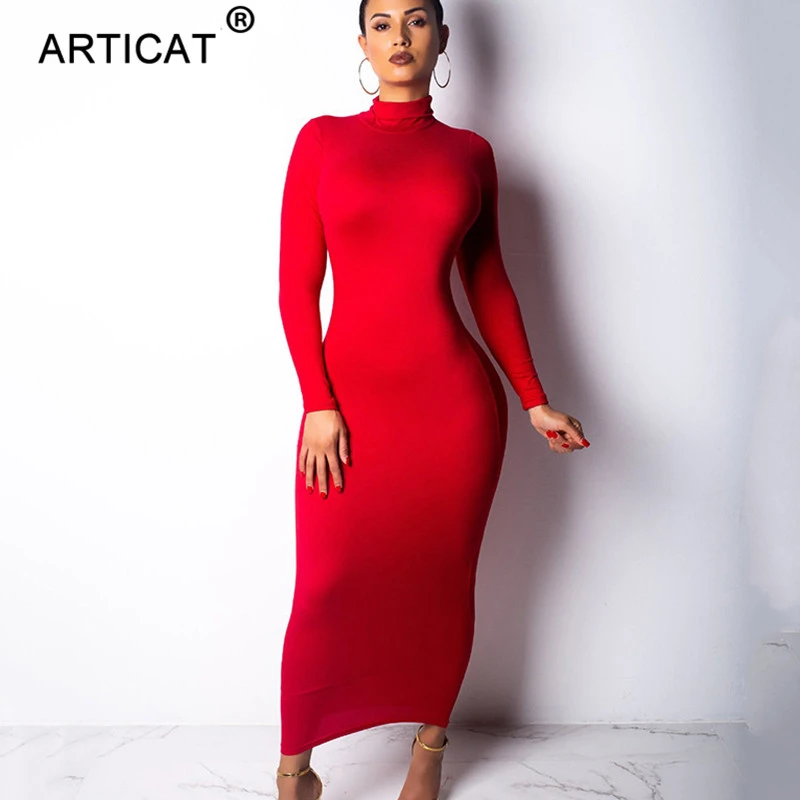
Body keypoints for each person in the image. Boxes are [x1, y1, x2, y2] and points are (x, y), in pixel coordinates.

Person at [275, 2, 590, 798]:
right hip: (345, 408)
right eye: (382, 23)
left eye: (417, 21)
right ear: (362, 42)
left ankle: (430, 744)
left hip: (452, 409)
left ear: (442, 39)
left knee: (443, 580)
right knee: (326, 583)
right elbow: (296, 284)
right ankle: (295, 768)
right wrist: (318, 401)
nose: (400, 38)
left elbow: (489, 283)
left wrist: (534, 399)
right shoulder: (321, 141)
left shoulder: (470, 154)